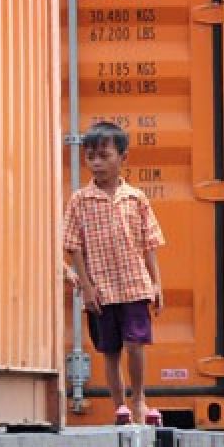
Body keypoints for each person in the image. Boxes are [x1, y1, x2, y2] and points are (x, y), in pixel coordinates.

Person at [64, 121, 165, 424]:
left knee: (136, 344)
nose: (96, 163)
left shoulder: (136, 199)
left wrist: (157, 284)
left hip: (135, 285)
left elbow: (149, 244)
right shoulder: (80, 200)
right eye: (90, 156)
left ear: (123, 157)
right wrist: (86, 286)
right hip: (102, 289)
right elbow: (73, 245)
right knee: (110, 350)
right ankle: (119, 406)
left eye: (104, 156)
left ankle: (139, 400)